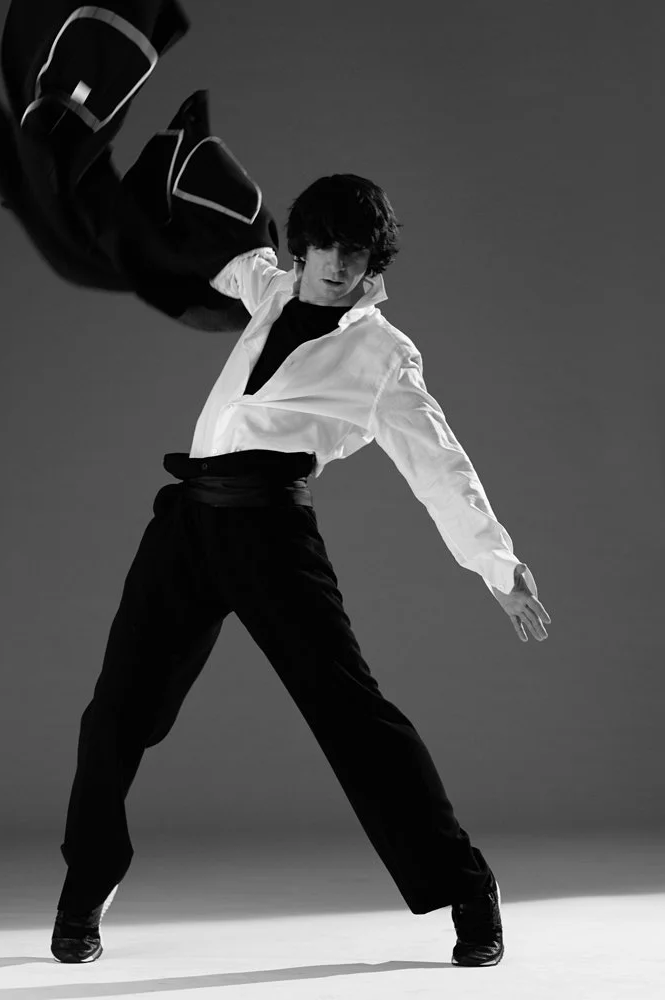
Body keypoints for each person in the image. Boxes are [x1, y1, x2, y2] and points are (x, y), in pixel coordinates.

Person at [50, 172, 551, 969]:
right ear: (302, 247)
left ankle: (466, 885)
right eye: (323, 246)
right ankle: (89, 881)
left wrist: (497, 565)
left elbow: (437, 465)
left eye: (354, 253)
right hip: (185, 524)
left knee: (351, 715)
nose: (337, 265)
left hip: (271, 533)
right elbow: (192, 250)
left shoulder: (382, 354)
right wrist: (102, 203)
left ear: (372, 262)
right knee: (116, 710)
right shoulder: (269, 286)